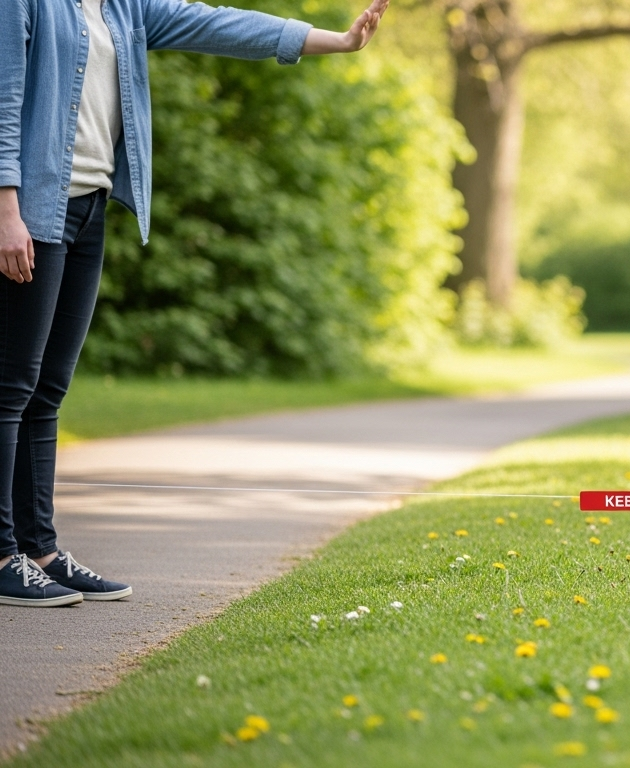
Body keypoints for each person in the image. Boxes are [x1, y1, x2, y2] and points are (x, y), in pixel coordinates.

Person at [0, 0, 389, 606]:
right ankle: (3, 554)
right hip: (32, 210)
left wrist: (336, 42)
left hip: (89, 209)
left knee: (48, 388)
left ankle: (40, 551)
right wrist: (6, 211)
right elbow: (2, 101)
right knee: (12, 387)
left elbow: (221, 25)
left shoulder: (124, 8)